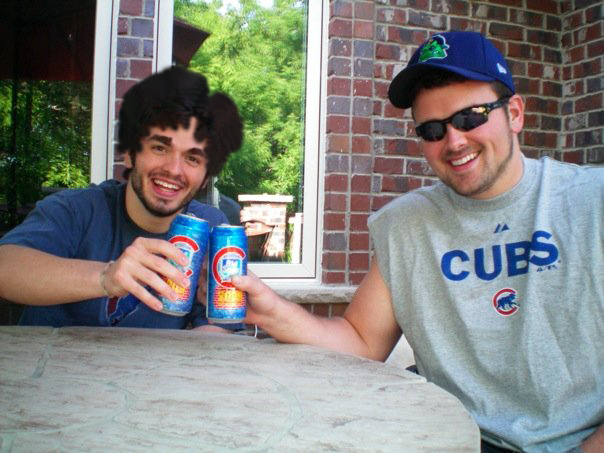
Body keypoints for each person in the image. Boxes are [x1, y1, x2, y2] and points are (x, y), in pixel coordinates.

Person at [231, 32, 604, 453]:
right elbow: (361, 341)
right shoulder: (406, 225)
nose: (454, 141)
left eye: (471, 117)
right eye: (432, 130)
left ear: (514, 113)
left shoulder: (591, 202)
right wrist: (272, 310)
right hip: (451, 440)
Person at [0, 66, 244, 331]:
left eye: (193, 159)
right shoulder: (76, 209)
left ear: (206, 177)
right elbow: (5, 265)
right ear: (129, 154)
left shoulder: (209, 226)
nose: (174, 170)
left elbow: (214, 331)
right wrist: (105, 277)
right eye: (160, 148)